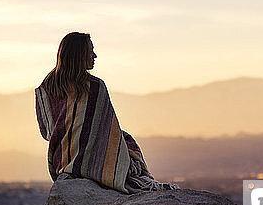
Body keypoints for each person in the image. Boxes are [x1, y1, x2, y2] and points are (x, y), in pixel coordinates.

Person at [34, 32, 177, 193]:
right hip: (92, 161)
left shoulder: (44, 89)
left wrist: (72, 140)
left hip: (61, 161)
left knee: (123, 137)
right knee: (127, 142)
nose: (94, 56)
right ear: (79, 55)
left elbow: (47, 132)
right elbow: (107, 129)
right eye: (90, 51)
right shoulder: (95, 87)